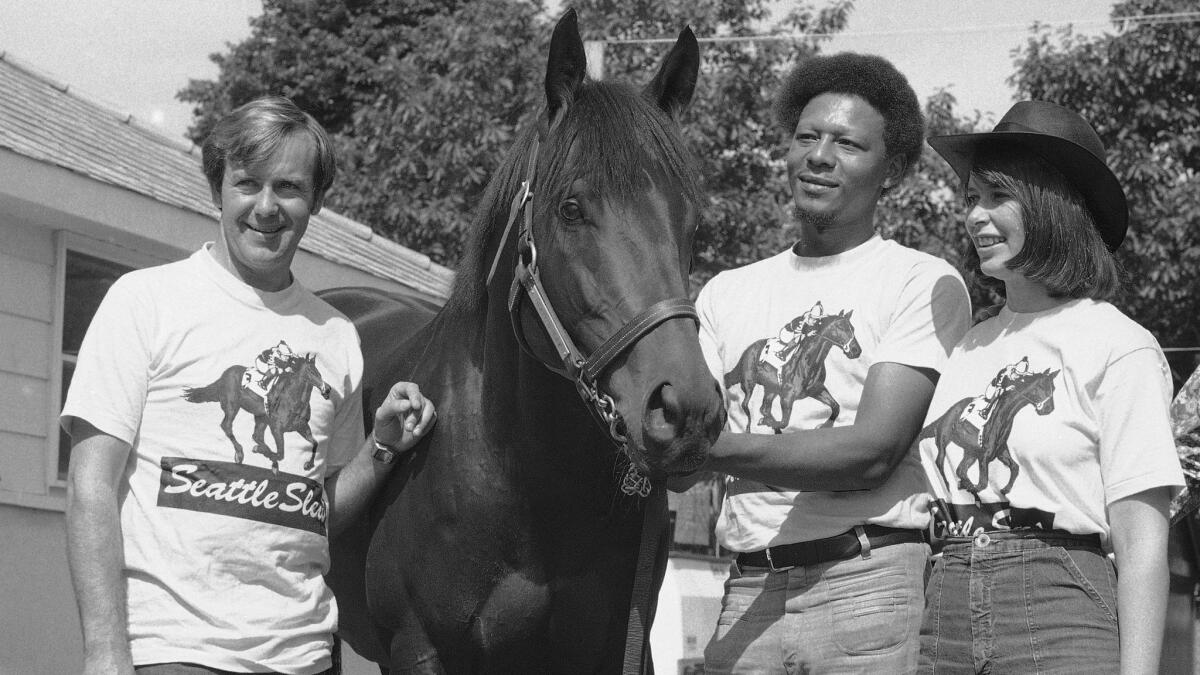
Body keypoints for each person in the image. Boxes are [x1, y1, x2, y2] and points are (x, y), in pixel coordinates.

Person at [63, 96, 436, 675]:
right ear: (218, 191)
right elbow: (90, 487)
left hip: (307, 656)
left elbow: (313, 512)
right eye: (247, 184)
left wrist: (381, 447)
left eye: (288, 187)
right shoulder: (144, 303)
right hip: (175, 653)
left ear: (314, 201)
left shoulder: (334, 336)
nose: (266, 207)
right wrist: (104, 652)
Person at [684, 52, 972, 673]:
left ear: (891, 171)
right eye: (807, 137)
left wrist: (703, 450)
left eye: (846, 144)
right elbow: (675, 442)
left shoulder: (920, 282)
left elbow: (870, 453)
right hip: (745, 592)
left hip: (866, 584)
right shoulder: (724, 292)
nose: (819, 155)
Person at [917, 100, 1184, 674]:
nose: (974, 217)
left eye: (997, 197)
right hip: (944, 612)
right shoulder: (967, 346)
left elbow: (1141, 550)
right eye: (971, 199)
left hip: (1060, 609)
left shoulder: (1119, 346)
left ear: (1051, 205)